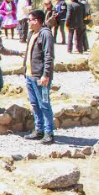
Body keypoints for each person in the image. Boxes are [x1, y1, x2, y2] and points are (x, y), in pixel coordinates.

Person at [22, 9, 55, 144]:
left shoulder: (45, 34)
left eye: (30, 20)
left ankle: (49, 132)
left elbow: (49, 56)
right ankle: (38, 129)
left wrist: (46, 74)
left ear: (36, 21)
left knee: (44, 104)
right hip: (30, 75)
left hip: (40, 76)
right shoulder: (32, 34)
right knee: (35, 104)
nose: (28, 22)